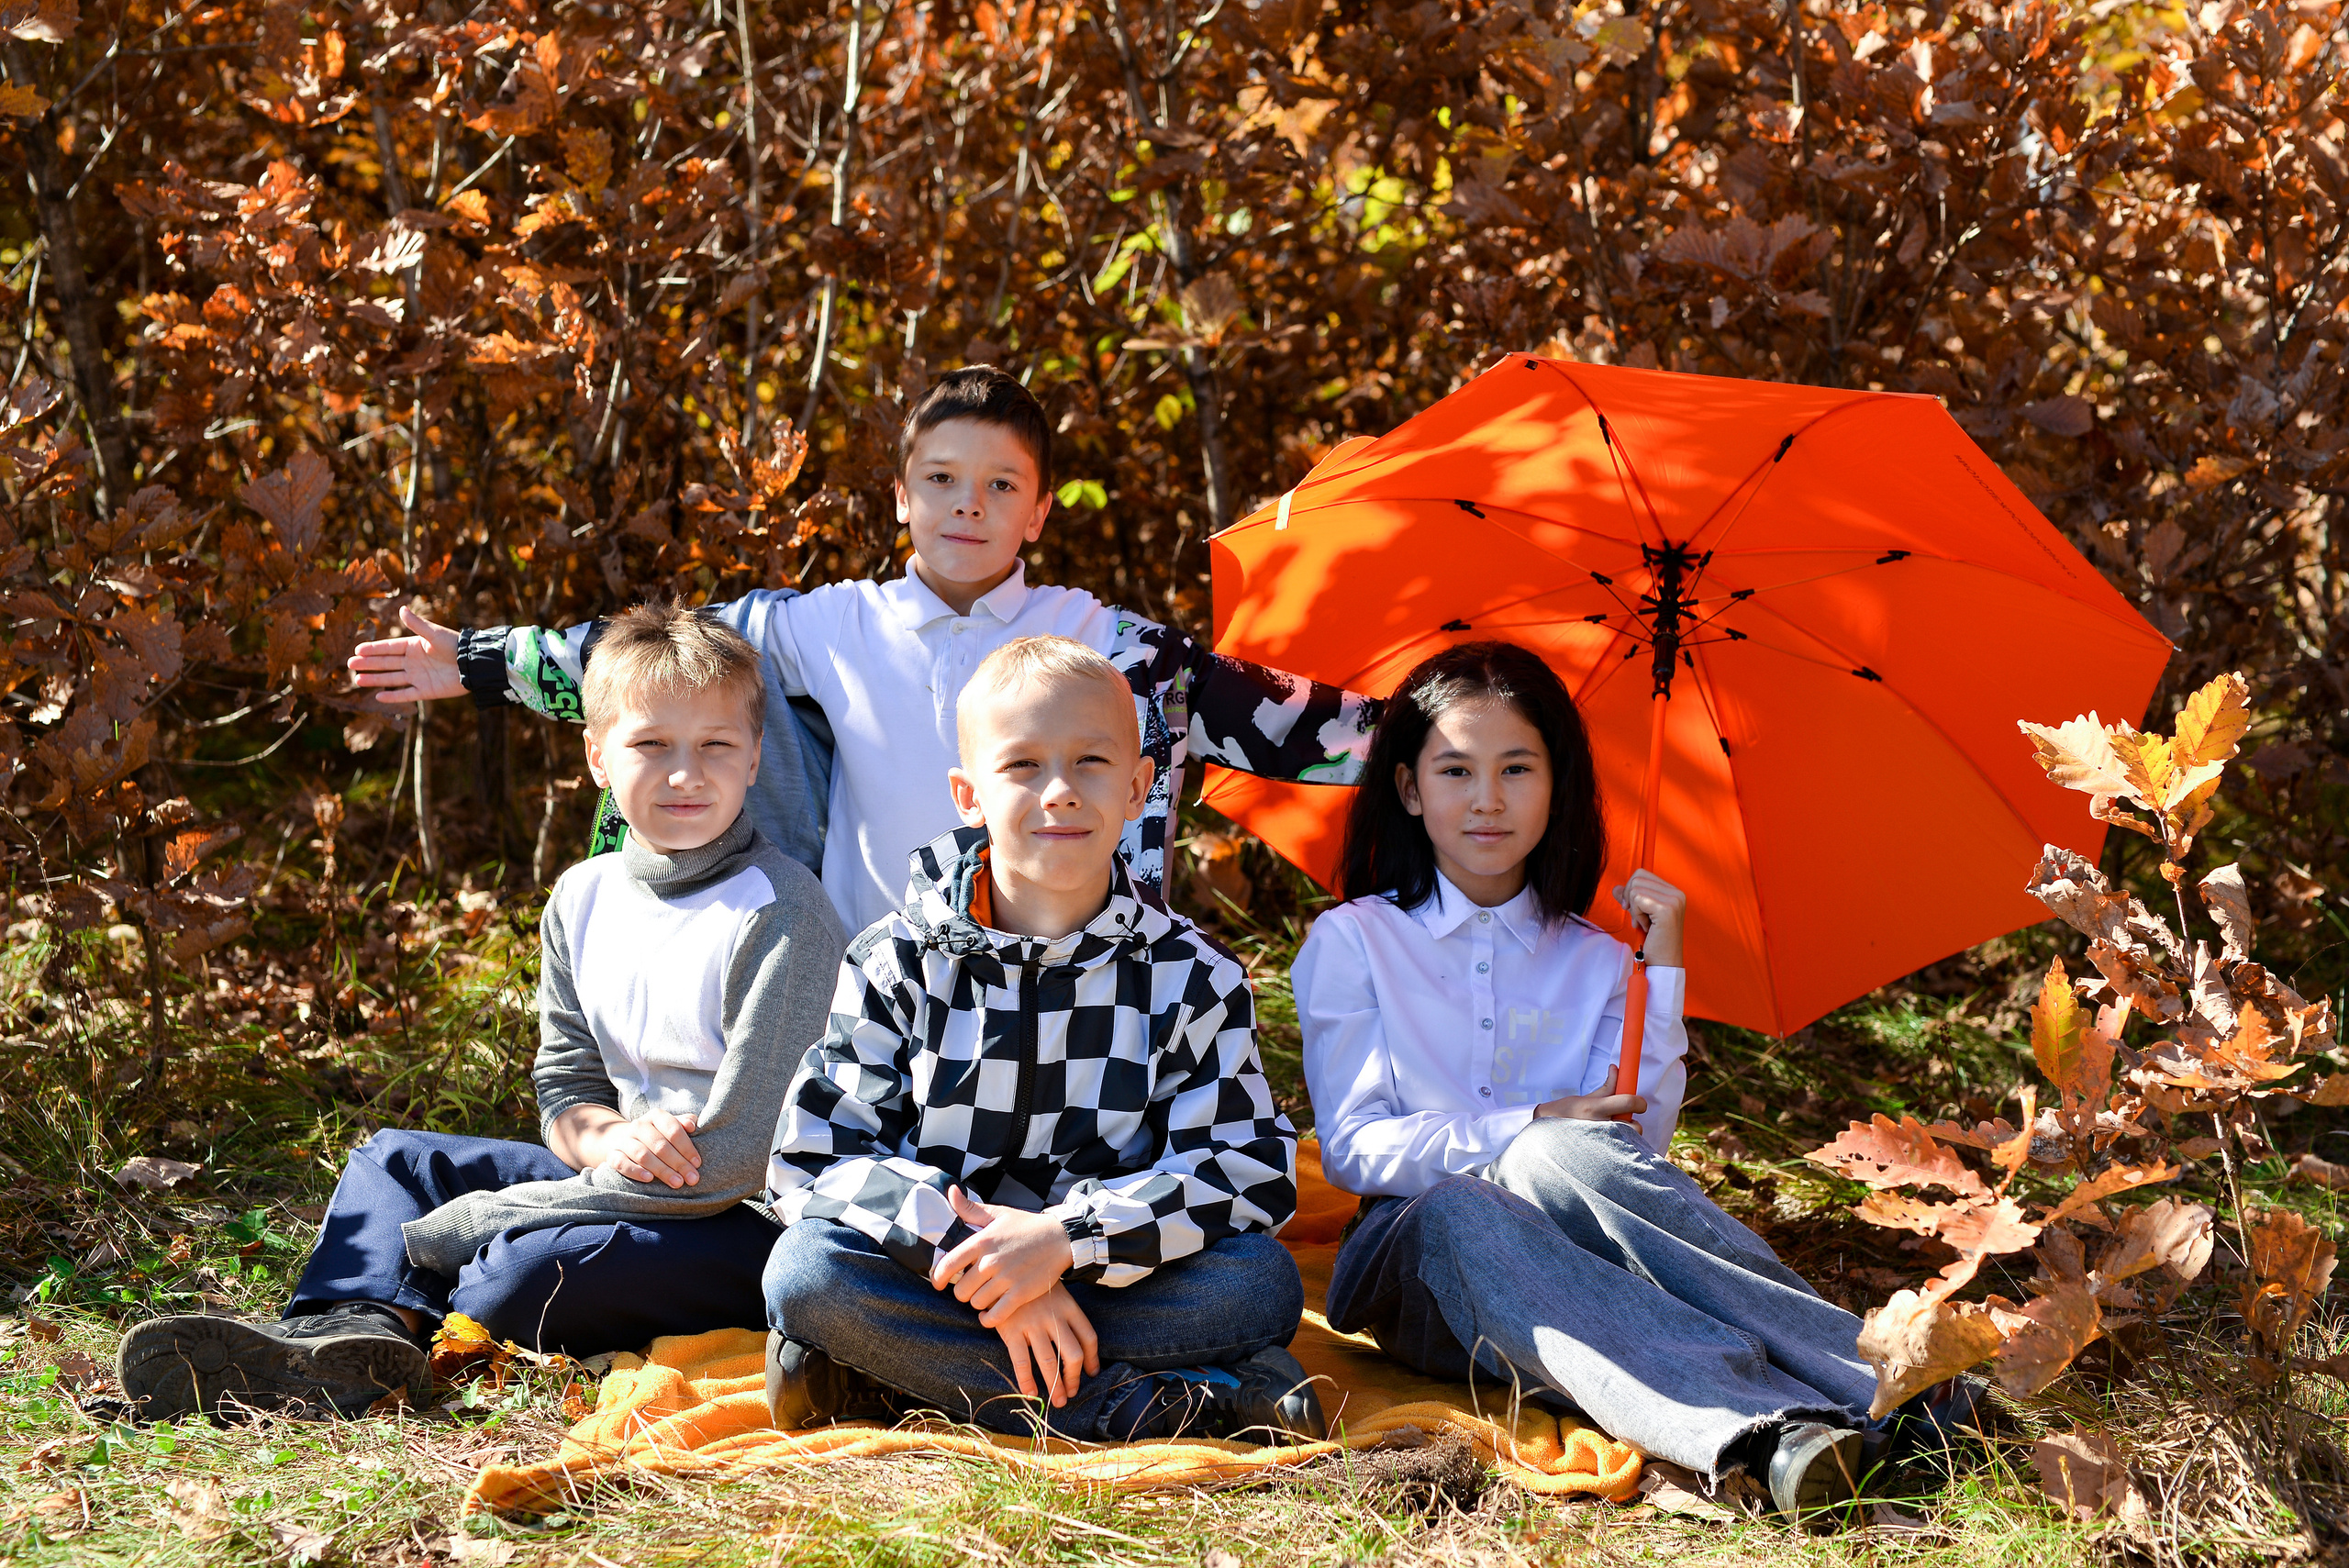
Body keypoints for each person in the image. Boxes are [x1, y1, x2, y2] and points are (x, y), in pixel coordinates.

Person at [117, 607, 848, 1420]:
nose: (687, 774)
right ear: (598, 755)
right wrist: (606, 1135)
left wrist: (480, 1216)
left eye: (716, 745)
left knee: (513, 1271)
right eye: (652, 745)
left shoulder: (783, 912)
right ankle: (353, 1335)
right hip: (623, 1176)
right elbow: (565, 1084)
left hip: (747, 1220)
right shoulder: (583, 896)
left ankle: (399, 1322)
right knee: (395, 1161)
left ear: (753, 760)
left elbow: (742, 1158)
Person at [343, 365, 1379, 931]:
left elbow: (1287, 721)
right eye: (940, 479)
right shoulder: (830, 623)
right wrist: (476, 662)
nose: (966, 504)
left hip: (1057, 982)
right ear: (902, 494)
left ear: (1037, 512)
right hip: (864, 987)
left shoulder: (1102, 639)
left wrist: (1477, 735)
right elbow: (653, 666)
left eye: (999, 485)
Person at [1293, 640, 1887, 1518]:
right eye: (1456, 769)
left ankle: (1877, 1385)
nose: (1487, 799)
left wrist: (1666, 968)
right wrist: (1530, 1124)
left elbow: (1634, 1159)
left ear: (1556, 784)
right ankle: (1768, 1422)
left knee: (1561, 1155)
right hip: (1412, 1263)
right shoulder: (1354, 943)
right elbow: (1353, 1148)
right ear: (1412, 790)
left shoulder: (1608, 961)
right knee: (1493, 1183)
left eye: (1517, 769)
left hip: (1583, 1258)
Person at [760, 635, 1322, 1443]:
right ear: (968, 793)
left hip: (1113, 1274)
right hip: (941, 1273)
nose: (1059, 791)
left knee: (1261, 1283)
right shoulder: (896, 959)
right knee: (809, 1273)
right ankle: (1155, 1406)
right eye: (1022, 765)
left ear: (1137, 788)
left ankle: (895, 1378)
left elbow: (1247, 1169)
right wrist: (995, 1270)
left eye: (1090, 761)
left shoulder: (1191, 976)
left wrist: (1065, 1241)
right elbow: (812, 1159)